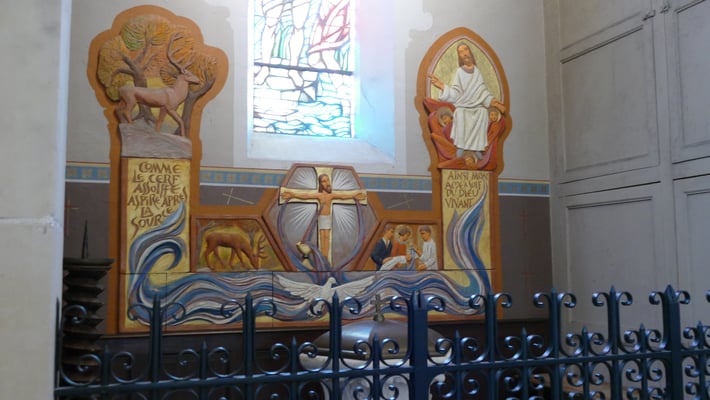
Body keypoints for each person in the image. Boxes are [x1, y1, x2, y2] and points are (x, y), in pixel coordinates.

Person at [429, 42, 506, 163]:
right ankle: (461, 146)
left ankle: (477, 149)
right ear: (459, 56)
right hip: (463, 105)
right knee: (460, 113)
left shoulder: (477, 72)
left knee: (482, 113)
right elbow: (456, 92)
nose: (464, 53)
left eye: (465, 50)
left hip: (476, 105)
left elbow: (482, 91)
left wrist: (493, 102)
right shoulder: (459, 72)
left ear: (470, 52)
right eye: (461, 52)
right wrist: (442, 86)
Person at [281, 173, 366, 260]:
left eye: (327, 180)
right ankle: (323, 256)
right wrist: (292, 194)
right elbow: (306, 195)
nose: (327, 183)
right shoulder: (319, 195)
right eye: (324, 181)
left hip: (328, 218)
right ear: (320, 184)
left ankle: (326, 256)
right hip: (322, 218)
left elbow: (343, 196)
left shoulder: (331, 195)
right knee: (322, 237)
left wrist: (354, 196)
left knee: (327, 237)